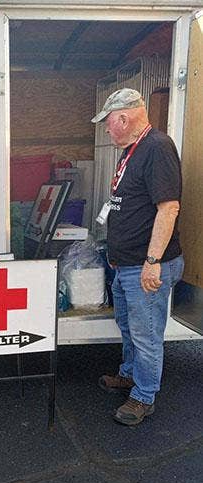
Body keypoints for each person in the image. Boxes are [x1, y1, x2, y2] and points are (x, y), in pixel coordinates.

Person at [91, 88, 184, 426]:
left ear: (123, 118)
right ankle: (129, 375)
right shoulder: (132, 149)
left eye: (107, 123)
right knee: (130, 327)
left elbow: (168, 208)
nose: (105, 129)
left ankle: (143, 397)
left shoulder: (157, 148)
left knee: (146, 333)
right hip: (126, 264)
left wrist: (152, 261)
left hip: (146, 267)